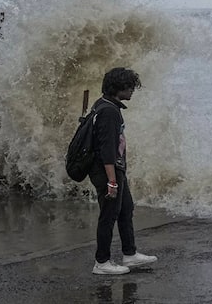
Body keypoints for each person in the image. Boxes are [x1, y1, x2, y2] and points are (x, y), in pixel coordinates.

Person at [88, 67, 158, 275]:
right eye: (129, 86)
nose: (132, 90)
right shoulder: (109, 112)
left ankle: (130, 254)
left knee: (126, 209)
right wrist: (112, 181)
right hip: (107, 170)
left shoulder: (104, 104)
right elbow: (107, 150)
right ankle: (101, 262)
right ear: (118, 88)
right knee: (109, 215)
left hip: (115, 169)